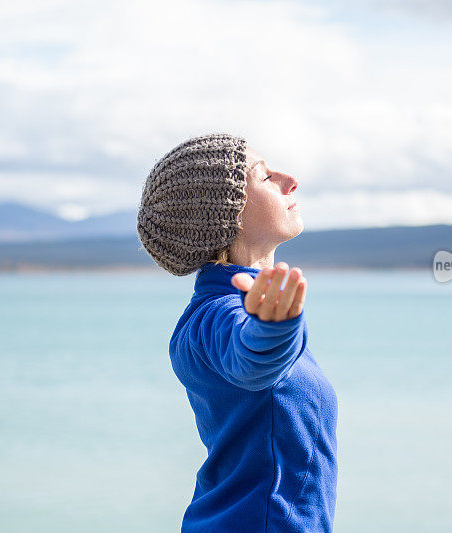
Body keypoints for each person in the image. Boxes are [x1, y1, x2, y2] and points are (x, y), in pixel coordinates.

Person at [137, 133, 338, 532]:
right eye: (264, 177)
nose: (289, 179)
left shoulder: (224, 306)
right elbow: (250, 360)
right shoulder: (215, 317)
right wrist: (272, 329)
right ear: (227, 216)